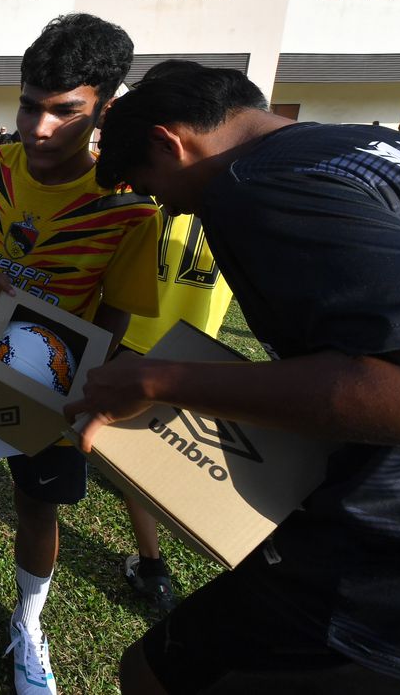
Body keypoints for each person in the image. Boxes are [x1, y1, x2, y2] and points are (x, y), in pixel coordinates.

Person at [71, 64, 400, 694]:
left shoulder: (253, 187)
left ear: (168, 143)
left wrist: (159, 382)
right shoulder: (361, 146)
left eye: (154, 189)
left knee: (152, 676)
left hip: (394, 556)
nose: (168, 208)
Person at [0, 14, 159, 695]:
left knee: (35, 507)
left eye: (65, 111)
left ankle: (29, 622)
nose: (40, 127)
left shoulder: (130, 210)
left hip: (54, 387)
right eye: (29, 104)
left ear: (104, 109)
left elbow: (116, 308)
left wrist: (88, 386)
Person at [108, 61, 239, 614]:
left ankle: (155, 564)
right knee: (169, 454)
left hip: (141, 339)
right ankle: (159, 564)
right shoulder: (233, 189)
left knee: (142, 460)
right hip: (197, 343)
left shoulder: (160, 187)